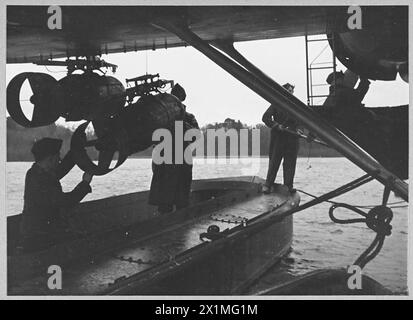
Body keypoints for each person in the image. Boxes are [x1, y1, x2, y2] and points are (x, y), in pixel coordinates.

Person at [19, 138, 93, 252]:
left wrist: (75, 152)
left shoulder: (36, 173)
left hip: (35, 232)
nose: (59, 159)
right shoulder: (42, 178)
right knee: (86, 241)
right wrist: (85, 183)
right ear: (50, 159)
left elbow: (62, 168)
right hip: (40, 237)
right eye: (58, 156)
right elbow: (66, 202)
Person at [149, 83, 199, 214]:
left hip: (180, 161)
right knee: (166, 201)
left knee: (180, 200)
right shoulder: (161, 117)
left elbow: (196, 135)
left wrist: (182, 125)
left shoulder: (188, 117)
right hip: (167, 162)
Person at [262, 83, 299, 194]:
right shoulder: (276, 104)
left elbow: (302, 122)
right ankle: (268, 185)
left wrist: (299, 129)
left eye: (292, 91)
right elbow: (265, 117)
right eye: (288, 91)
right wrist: (277, 126)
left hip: (292, 138)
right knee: (274, 162)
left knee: (290, 163)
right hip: (279, 138)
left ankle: (288, 186)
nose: (290, 93)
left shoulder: (296, 106)